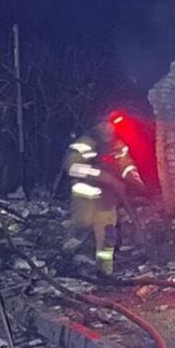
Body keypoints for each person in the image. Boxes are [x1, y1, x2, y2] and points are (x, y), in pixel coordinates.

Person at [65, 117, 144, 275]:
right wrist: (102, 176)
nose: (107, 127)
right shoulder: (85, 144)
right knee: (81, 227)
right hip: (85, 199)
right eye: (103, 123)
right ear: (96, 125)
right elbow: (72, 167)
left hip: (107, 200)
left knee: (108, 236)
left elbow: (126, 165)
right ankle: (67, 261)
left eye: (110, 124)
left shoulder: (117, 145)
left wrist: (134, 178)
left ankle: (105, 271)